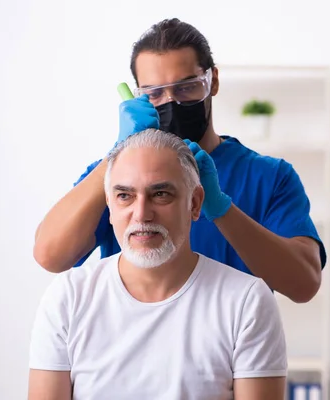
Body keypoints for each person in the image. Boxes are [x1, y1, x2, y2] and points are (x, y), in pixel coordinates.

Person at [33, 18, 327, 303]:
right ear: (138, 97)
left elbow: (304, 285)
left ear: (212, 81)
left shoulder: (269, 176)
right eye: (154, 93)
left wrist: (222, 209)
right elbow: (50, 255)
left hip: (228, 346)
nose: (171, 102)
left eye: (187, 88)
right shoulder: (118, 174)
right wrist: (118, 154)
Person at [28, 129, 288, 399]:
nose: (141, 214)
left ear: (195, 203)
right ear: (109, 204)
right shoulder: (69, 298)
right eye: (124, 196)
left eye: (161, 194)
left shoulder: (246, 302)